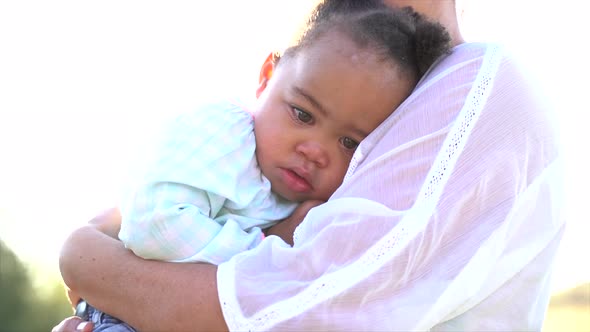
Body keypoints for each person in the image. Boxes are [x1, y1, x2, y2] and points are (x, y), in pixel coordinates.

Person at [53, 0, 565, 330]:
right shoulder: (335, 80)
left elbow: (286, 312)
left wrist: (86, 258)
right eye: (302, 113)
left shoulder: (477, 85)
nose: (317, 149)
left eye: (348, 142)